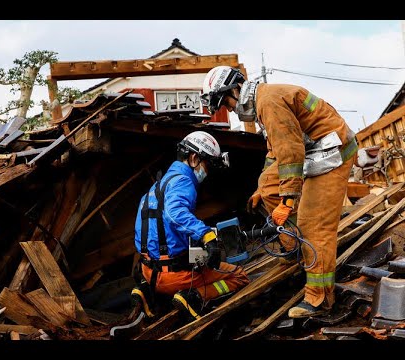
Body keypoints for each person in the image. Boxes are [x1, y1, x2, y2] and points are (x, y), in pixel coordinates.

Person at [201, 66, 358, 319]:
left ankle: (319, 299)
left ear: (234, 89)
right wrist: (262, 190)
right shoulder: (263, 101)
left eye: (225, 103)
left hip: (332, 153)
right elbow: (274, 151)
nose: (229, 110)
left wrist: (287, 200)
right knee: (267, 185)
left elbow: (291, 154)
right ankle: (294, 246)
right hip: (311, 149)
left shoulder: (270, 103)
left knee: (314, 227)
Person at [132, 130, 250, 321]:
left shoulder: (159, 185)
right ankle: (194, 297)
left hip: (148, 271)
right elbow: (174, 213)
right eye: (207, 165)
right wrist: (206, 236)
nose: (207, 172)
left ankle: (147, 291)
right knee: (239, 275)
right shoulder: (184, 181)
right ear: (194, 158)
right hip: (172, 277)